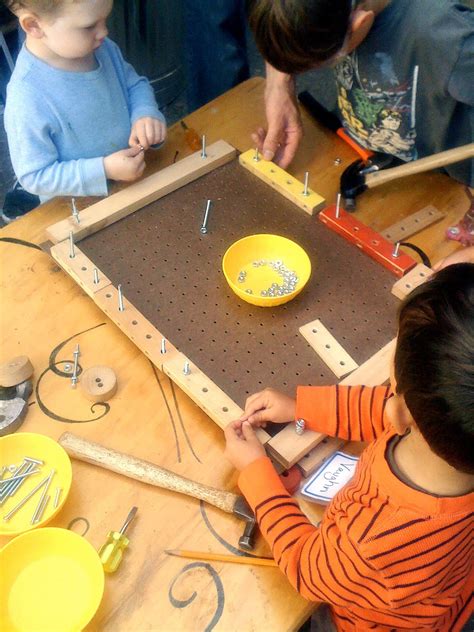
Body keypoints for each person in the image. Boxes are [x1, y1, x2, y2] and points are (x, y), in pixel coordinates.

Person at [224, 262, 474, 631]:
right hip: (450, 596)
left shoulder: (373, 538)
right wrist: (302, 409)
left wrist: (256, 473)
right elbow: (384, 412)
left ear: (403, 410)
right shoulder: (442, 435)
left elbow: (307, 568)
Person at [247, 0, 474, 187]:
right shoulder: (332, 15)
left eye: (324, 62)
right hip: (356, 153)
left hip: (442, 188)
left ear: (360, 22)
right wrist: (279, 83)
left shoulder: (447, 39)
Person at [2, 0, 166, 208]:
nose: (104, 32)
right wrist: (104, 170)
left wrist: (145, 113)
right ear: (34, 26)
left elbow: (134, 85)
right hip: (77, 209)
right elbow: (35, 176)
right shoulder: (27, 98)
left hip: (138, 181)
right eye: (89, 26)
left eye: (105, 19)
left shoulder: (102, 48)